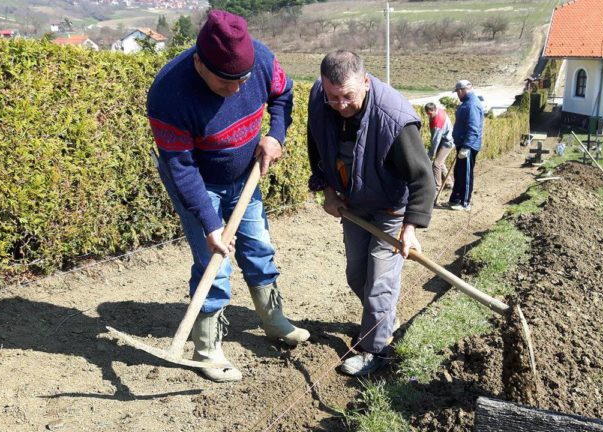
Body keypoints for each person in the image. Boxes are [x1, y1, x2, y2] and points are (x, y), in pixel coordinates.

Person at [146, 10, 309, 383]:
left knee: (259, 246)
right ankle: (207, 350)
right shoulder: (169, 92)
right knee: (213, 260)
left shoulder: (263, 60)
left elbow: (283, 95)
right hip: (199, 183)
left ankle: (273, 320)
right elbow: (180, 167)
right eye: (225, 83)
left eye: (243, 80)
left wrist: (275, 135)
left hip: (245, 176)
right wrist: (210, 222)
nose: (236, 90)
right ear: (200, 63)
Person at [307, 50, 435, 376]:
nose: (340, 104)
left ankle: (375, 350)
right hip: (354, 204)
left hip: (392, 207)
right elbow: (317, 144)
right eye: (332, 96)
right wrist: (328, 190)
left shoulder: (393, 117)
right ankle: (381, 321)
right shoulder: (321, 99)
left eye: (347, 96)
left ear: (365, 82)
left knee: (379, 282)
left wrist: (410, 229)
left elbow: (422, 177)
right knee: (357, 276)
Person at [448, 79, 484, 211]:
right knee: (459, 172)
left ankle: (465, 202)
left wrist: (467, 146)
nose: (457, 94)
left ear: (463, 90)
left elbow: (473, 128)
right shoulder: (466, 103)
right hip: (462, 144)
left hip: (468, 146)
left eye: (458, 91)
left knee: (466, 174)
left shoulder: (472, 105)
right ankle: (455, 199)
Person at [423, 102, 454, 195]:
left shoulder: (437, 122)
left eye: (430, 114)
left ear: (434, 110)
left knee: (436, 164)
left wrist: (430, 155)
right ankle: (449, 183)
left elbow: (435, 141)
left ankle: (437, 187)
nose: (429, 116)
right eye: (427, 114)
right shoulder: (439, 110)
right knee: (440, 162)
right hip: (445, 138)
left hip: (448, 142)